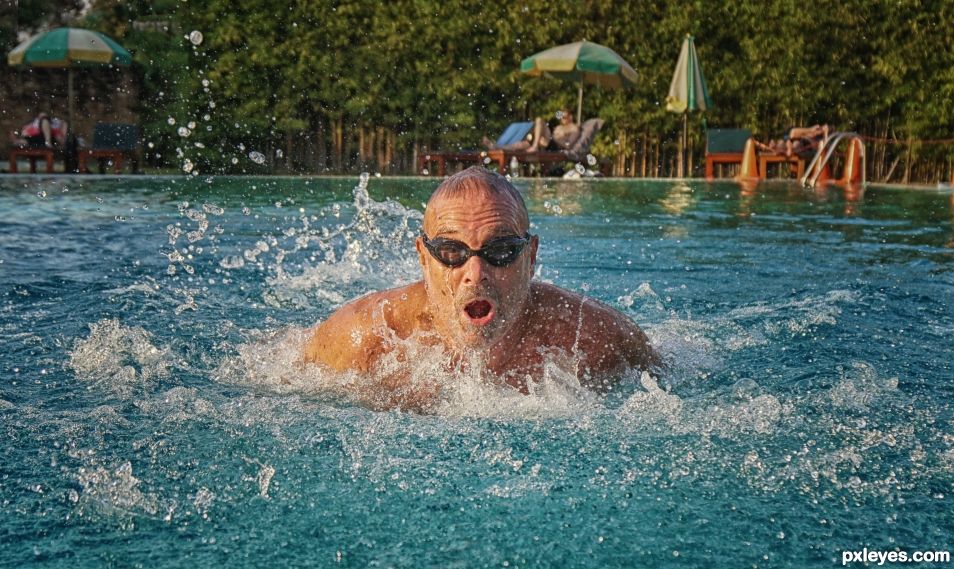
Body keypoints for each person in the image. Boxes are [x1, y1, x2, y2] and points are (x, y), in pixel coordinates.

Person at [302, 166, 660, 411]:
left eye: (500, 251)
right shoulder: (365, 338)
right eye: (452, 252)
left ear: (531, 256)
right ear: (424, 259)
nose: (475, 273)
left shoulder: (594, 339)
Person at [482, 109, 582, 153]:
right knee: (519, 145)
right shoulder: (561, 126)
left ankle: (534, 146)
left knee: (539, 120)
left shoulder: (574, 128)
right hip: (546, 141)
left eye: (564, 117)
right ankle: (496, 147)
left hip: (553, 144)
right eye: (561, 117)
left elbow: (569, 144)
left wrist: (558, 142)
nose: (562, 119)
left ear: (570, 117)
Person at [755, 124, 829, 157]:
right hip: (797, 144)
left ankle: (811, 130)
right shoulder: (775, 148)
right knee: (788, 139)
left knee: (793, 137)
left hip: (799, 144)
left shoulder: (816, 140)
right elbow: (792, 136)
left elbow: (790, 136)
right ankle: (812, 130)